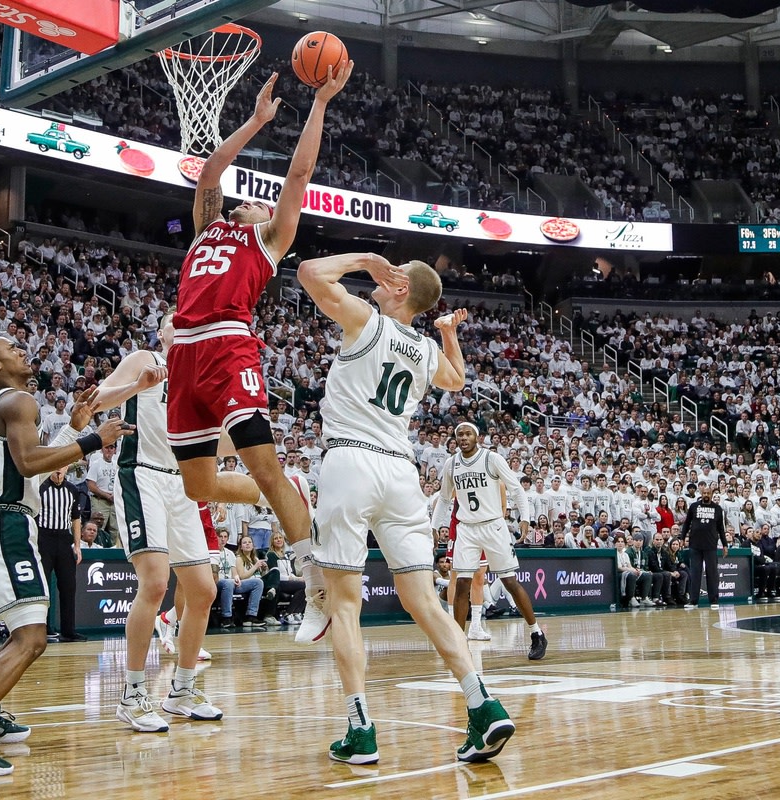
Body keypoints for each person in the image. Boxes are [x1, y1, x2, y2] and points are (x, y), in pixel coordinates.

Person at [297, 249, 513, 765]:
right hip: (400, 474)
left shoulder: (367, 320)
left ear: (398, 289)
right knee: (424, 600)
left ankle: (360, 728)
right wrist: (448, 332)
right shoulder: (422, 348)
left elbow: (308, 272)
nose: (384, 275)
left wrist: (366, 259)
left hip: (350, 462)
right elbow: (457, 379)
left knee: (345, 604)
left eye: (394, 272)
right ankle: (482, 704)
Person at [165, 63, 353, 648]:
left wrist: (319, 103)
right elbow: (210, 173)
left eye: (255, 203)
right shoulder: (204, 228)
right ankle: (289, 490)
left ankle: (314, 580)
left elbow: (298, 174)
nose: (246, 202)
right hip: (184, 360)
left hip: (228, 347)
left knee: (264, 469)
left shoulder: (268, 240)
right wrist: (253, 121)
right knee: (198, 487)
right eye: (241, 201)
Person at [0, 333, 129, 777]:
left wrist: (74, 428)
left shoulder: (8, 403)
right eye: (9, 347)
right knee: (33, 638)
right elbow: (29, 465)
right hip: (6, 524)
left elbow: (37, 464)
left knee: (23, 632)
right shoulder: (18, 400)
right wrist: (95, 440)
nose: (21, 349)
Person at [87, 322, 222, 733]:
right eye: (173, 324)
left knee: (202, 589)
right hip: (140, 473)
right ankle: (131, 694)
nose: (183, 328)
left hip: (182, 483)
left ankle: (181, 689)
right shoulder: (145, 360)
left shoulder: (197, 378)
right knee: (155, 584)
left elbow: (211, 441)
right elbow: (94, 402)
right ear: (161, 335)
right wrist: (138, 384)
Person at [432, 421, 545, 660]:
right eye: (459, 434)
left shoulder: (491, 459)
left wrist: (525, 517)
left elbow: (516, 488)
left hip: (494, 526)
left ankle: (536, 633)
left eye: (467, 434)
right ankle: (458, 640)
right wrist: (433, 526)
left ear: (477, 436)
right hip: (467, 529)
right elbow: (443, 499)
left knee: (510, 582)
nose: (463, 438)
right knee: (462, 583)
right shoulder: (451, 464)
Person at [36, 468, 84, 642]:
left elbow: (76, 518)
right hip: (43, 537)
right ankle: (43, 628)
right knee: (43, 586)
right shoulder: (40, 487)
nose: (58, 470)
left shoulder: (72, 490)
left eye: (62, 466)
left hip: (64, 538)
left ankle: (68, 630)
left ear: (66, 469)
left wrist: (77, 545)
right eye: (56, 466)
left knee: (68, 586)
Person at [681, 484, 729, 609]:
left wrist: (725, 544)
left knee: (712, 573)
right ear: (701, 494)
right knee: (695, 573)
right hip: (695, 545)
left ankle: (713, 600)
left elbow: (721, 529)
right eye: (704, 493)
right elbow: (686, 524)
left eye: (708, 493)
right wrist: (682, 538)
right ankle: (693, 601)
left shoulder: (718, 509)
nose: (706, 495)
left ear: (712, 495)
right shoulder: (693, 506)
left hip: (711, 545)